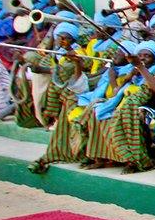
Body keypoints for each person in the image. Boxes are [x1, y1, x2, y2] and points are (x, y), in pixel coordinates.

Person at [30, 41, 137, 173]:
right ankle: (61, 152)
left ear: (128, 57)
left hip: (114, 105)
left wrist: (112, 78)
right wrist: (78, 63)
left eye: (119, 53)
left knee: (93, 111)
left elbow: (116, 94)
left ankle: (98, 157)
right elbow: (88, 82)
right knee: (70, 101)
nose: (114, 55)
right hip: (101, 101)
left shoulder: (130, 73)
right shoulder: (111, 70)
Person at [81, 40, 155, 173]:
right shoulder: (132, 73)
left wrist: (141, 68)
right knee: (96, 109)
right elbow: (116, 94)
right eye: (140, 55)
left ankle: (136, 159)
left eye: (147, 55)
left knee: (132, 112)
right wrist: (129, 77)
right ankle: (102, 158)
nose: (143, 58)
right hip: (128, 107)